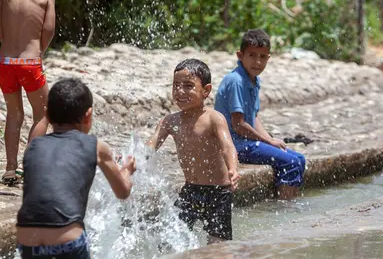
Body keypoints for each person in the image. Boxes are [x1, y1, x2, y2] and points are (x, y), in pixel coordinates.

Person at [16, 78, 136, 259]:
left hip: (28, 242)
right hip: (68, 242)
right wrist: (126, 170)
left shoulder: (33, 147)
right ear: (88, 116)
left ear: (48, 116)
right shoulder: (95, 146)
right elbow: (122, 192)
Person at [148, 59, 240, 244]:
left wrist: (233, 169)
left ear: (205, 91)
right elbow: (149, 147)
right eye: (176, 86)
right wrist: (131, 158)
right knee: (168, 240)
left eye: (188, 86)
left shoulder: (214, 118)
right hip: (190, 191)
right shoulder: (170, 121)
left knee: (218, 247)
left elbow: (227, 146)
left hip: (218, 193)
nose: (180, 91)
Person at [214, 29, 306, 200]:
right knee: (290, 162)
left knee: (300, 159)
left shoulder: (253, 80)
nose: (257, 62)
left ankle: (289, 202)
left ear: (268, 58)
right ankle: (285, 208)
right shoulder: (236, 81)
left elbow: (253, 118)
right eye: (252, 55)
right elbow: (238, 125)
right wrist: (267, 141)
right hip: (234, 145)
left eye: (262, 57)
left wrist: (271, 141)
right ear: (240, 55)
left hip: (247, 141)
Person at [0, 0, 55, 183]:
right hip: (30, 63)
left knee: (14, 114)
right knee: (43, 113)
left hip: (5, 63)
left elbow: (2, 30)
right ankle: (26, 165)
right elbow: (48, 29)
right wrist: (39, 48)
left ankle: (10, 168)